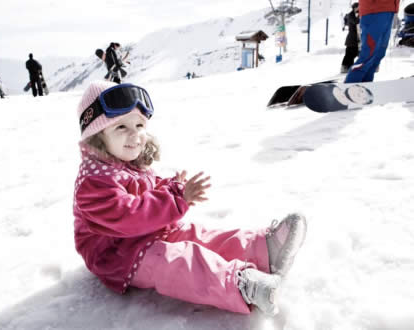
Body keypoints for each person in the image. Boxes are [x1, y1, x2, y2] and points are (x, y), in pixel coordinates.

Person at [73, 80, 308, 315]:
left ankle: (263, 249)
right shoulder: (93, 182)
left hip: (148, 233)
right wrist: (176, 199)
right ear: (98, 137)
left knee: (198, 236)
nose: (135, 135)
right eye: (121, 127)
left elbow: (149, 192)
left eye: (139, 124)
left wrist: (172, 188)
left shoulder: (125, 162)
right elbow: (127, 216)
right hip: (118, 255)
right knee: (179, 260)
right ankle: (243, 286)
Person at [345, 0, 400, 83]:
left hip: (389, 9)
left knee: (379, 53)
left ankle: (366, 86)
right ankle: (350, 84)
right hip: (374, 10)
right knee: (369, 53)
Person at [341, 3, 360, 73]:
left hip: (354, 39)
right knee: (350, 53)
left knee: (353, 53)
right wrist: (360, 16)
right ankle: (345, 67)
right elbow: (356, 22)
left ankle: (348, 67)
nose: (359, 9)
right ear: (355, 8)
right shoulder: (350, 15)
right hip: (351, 38)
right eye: (358, 7)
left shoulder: (355, 14)